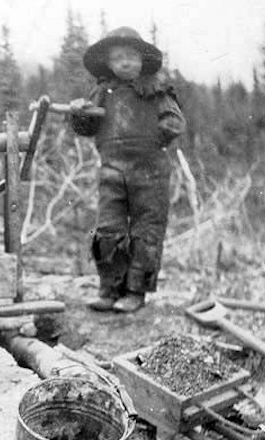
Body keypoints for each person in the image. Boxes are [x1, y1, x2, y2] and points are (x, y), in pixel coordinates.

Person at [70, 26, 186, 313]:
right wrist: (78, 113)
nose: (125, 62)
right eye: (119, 57)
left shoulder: (156, 89)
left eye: (132, 56)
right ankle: (109, 289)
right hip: (111, 171)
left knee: (146, 231)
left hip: (151, 172)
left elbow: (175, 122)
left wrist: (153, 138)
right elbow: (86, 127)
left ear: (142, 60)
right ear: (108, 62)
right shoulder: (100, 92)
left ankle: (136, 292)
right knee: (109, 229)